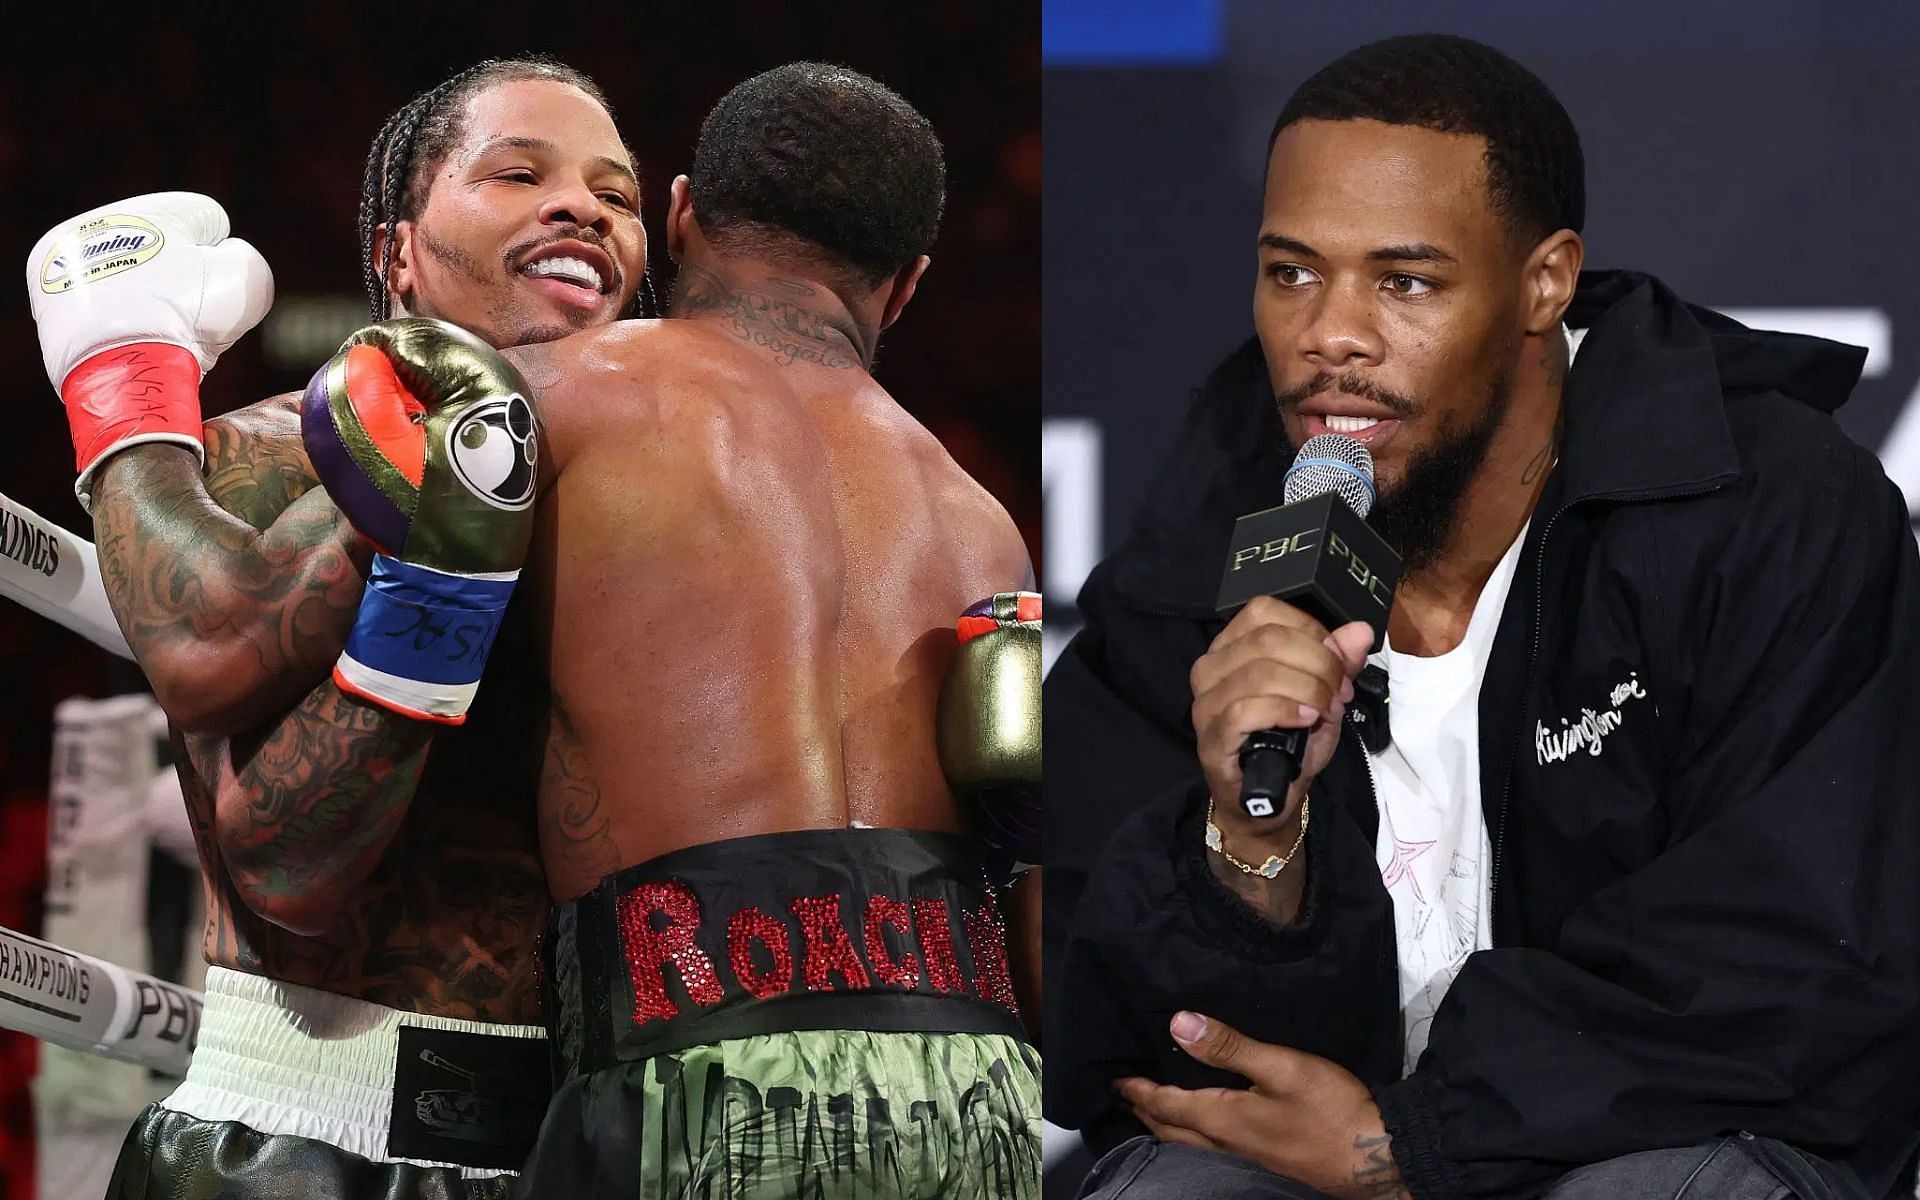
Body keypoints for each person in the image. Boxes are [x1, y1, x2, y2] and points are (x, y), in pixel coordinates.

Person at [1044, 33, 1920, 1200]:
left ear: (1543, 282)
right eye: (1292, 271)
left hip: (1652, 1140)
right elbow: (1105, 1015)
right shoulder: (1225, 523)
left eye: (1404, 282)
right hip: (1326, 1153)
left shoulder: (1766, 510)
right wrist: (1253, 847)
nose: (1329, 338)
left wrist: (1415, 1143)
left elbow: (1800, 968)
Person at [29, 56, 648, 1196]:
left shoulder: (659, 500)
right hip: (295, 1137)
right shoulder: (257, 462)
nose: (584, 208)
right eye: (520, 173)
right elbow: (287, 865)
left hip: (581, 1148)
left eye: (619, 196)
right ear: (398, 249)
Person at [460, 63, 1038, 1196]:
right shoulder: (982, 521)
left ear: (678, 214)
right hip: (976, 1078)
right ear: (907, 284)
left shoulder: (558, 394)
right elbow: (1021, 841)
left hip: (698, 1063)